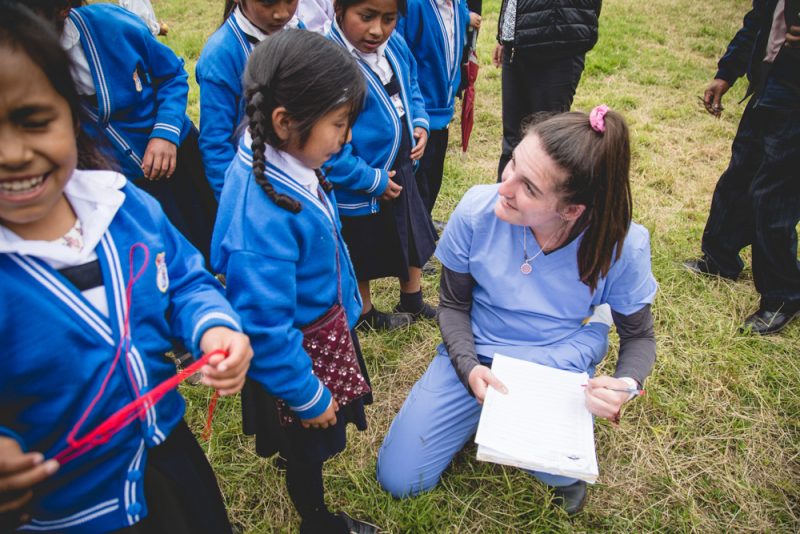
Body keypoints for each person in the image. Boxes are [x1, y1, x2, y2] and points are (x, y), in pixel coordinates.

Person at [0, 3, 253, 532]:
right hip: (65, 510)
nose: (13, 153)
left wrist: (213, 324)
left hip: (167, 451)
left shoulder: (122, 205)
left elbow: (184, 277)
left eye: (33, 120)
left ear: (73, 113)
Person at [376, 108, 658, 515]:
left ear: (571, 210)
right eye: (512, 163)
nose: (503, 187)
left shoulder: (623, 244)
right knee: (399, 480)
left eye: (528, 187)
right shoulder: (477, 208)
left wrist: (626, 384)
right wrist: (469, 366)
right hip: (479, 347)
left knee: (559, 473)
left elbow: (639, 337)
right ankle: (484, 408)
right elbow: (454, 304)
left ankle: (577, 354)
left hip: (555, 357)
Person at [212, 30, 378, 534]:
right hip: (298, 357)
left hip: (319, 333)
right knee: (311, 442)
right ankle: (317, 520)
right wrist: (307, 395)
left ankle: (298, 454)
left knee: (307, 441)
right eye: (338, 124)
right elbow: (265, 326)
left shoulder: (283, 158)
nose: (346, 138)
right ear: (285, 122)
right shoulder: (261, 217)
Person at [17, 0, 217, 263]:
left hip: (178, 161)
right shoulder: (21, 65)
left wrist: (165, 133)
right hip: (123, 187)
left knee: (206, 239)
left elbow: (171, 75)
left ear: (62, 9)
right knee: (162, 261)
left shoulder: (112, 24)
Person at [684, 0, 800, 335]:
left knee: (774, 196)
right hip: (769, 84)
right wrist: (726, 73)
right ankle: (720, 259)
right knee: (740, 174)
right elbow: (759, 20)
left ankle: (783, 295)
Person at [326, 0, 438, 330]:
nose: (378, 30)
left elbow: (412, 86)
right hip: (359, 176)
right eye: (366, 17)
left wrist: (419, 120)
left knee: (411, 232)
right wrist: (369, 178)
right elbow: (329, 149)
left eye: (389, 19)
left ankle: (413, 299)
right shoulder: (330, 64)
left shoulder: (395, 45)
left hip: (403, 164)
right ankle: (364, 311)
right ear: (339, 9)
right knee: (363, 244)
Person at [196, 0, 304, 199]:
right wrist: (236, 204)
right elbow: (215, 143)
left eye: (290, 1)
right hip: (252, 187)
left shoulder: (296, 30)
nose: (281, 13)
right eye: (268, 2)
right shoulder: (221, 55)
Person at [493, 0, 602, 182]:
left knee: (545, 145)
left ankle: (539, 208)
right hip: (517, 44)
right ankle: (502, 206)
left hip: (557, 45)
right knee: (512, 144)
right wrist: (506, 33)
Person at [396, 0, 480, 215]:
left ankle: (425, 224)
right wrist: (414, 111)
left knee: (432, 181)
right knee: (415, 189)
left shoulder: (458, 5)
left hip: (443, 113)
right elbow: (400, 58)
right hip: (417, 117)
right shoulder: (413, 6)